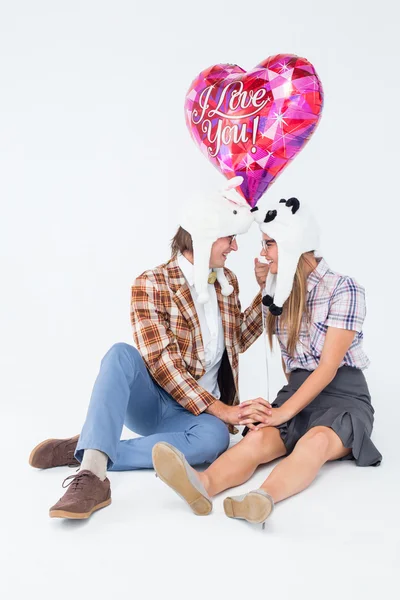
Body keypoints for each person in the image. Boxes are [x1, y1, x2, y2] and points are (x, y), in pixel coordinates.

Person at [28, 177, 271, 520]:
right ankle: (93, 475)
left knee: (215, 441)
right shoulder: (151, 283)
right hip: (156, 404)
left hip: (200, 420)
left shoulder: (226, 281)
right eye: (229, 238)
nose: (234, 247)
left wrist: (267, 291)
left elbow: (238, 341)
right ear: (205, 236)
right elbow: (161, 363)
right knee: (119, 354)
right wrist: (224, 409)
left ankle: (91, 446)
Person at [151, 197, 382, 526]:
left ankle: (263, 497)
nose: (262, 254)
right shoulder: (281, 291)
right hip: (298, 392)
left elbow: (328, 367)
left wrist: (284, 412)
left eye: (270, 244)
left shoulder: (343, 289)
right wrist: (266, 287)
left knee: (314, 443)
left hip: (342, 394)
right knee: (258, 437)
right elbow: (292, 366)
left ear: (293, 244)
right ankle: (202, 485)